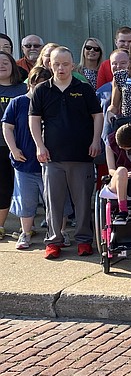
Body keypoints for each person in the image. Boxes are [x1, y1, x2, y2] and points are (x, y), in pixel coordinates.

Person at [29, 46, 103, 259]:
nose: (61, 68)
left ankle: (84, 240)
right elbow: (33, 120)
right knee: (53, 201)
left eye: (65, 64)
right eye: (56, 64)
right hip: (52, 157)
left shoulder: (84, 88)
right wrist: (39, 146)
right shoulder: (42, 90)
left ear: (72, 65)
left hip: (82, 155)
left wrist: (95, 140)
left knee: (82, 201)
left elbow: (97, 116)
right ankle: (54, 240)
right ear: (49, 65)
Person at [2, 67, 54, 249]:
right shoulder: (18, 102)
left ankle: (58, 233)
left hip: (50, 162)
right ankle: (25, 233)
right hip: (24, 161)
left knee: (54, 201)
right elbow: (7, 127)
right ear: (30, 83)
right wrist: (14, 149)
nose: (39, 87)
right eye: (36, 83)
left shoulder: (52, 102)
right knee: (26, 200)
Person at [0, 52, 31, 237]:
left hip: (22, 146)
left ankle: (25, 227)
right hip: (0, 147)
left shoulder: (23, 89)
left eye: (5, 62)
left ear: (13, 65)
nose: (2, 65)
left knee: (23, 188)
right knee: (2, 186)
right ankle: (1, 225)